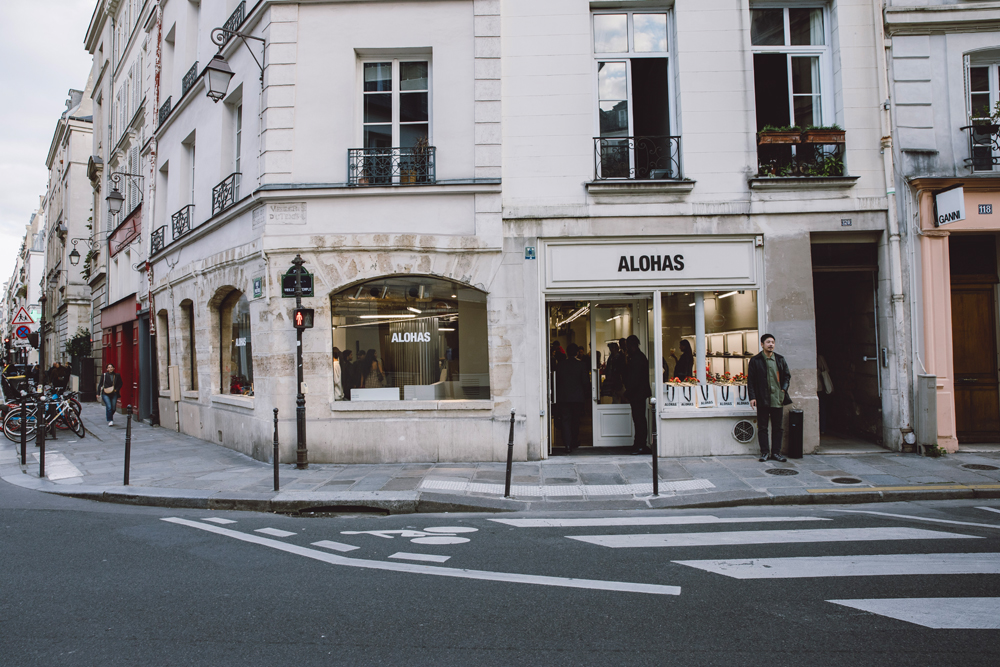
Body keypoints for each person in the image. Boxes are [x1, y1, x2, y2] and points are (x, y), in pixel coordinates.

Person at [748, 333, 792, 462]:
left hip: (777, 398)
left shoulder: (780, 359)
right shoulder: (755, 360)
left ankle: (776, 453)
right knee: (763, 427)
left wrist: (783, 389)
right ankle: (764, 452)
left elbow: (787, 376)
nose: (771, 344)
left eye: (772, 342)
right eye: (768, 342)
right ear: (762, 344)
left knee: (778, 427)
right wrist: (752, 397)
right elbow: (751, 380)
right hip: (762, 398)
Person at [555, 343, 589, 452]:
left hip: (563, 397)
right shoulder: (582, 365)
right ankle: (574, 441)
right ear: (577, 353)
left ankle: (567, 444)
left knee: (565, 420)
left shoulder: (560, 365)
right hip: (577, 398)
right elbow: (585, 382)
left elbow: (557, 382)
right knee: (575, 420)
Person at [624, 335, 652, 455]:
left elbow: (634, 379)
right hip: (639, 393)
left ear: (632, 346)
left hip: (638, 394)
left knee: (639, 419)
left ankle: (640, 445)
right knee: (639, 419)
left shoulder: (637, 359)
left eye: (627, 346)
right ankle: (639, 443)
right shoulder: (638, 357)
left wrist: (628, 392)